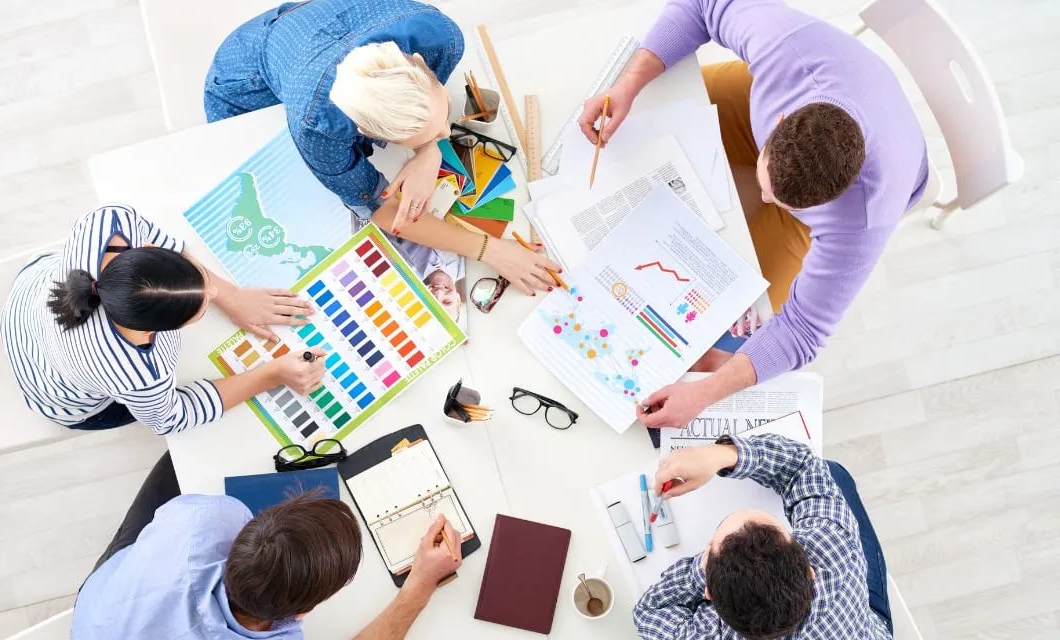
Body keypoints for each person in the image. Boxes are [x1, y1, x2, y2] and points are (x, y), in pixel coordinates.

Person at [577, 0, 929, 427]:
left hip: (877, 167)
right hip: (768, 97)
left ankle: (783, 197)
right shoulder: (785, 49)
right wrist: (628, 84)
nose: (763, 200)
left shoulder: (862, 217)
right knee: (648, 109)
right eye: (767, 187)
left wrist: (703, 395)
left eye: (783, 203)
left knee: (726, 318)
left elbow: (802, 332)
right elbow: (702, 4)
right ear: (778, 121)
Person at [207, 0, 558, 295]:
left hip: (312, 26)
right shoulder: (318, 126)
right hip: (250, 83)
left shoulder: (440, 37)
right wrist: (491, 250)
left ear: (419, 63)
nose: (444, 133)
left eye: (442, 120)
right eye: (423, 135)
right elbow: (383, 211)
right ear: (362, 131)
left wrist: (428, 150)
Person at [0, 204, 326, 435]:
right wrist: (272, 373)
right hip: (53, 392)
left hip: (25, 301)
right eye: (201, 307)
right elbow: (170, 418)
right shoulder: (137, 374)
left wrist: (232, 295)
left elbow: (152, 234)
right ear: (152, 333)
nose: (212, 293)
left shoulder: (110, 223)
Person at [71, 452, 463, 639]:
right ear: (303, 612)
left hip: (101, 615)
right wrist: (420, 586)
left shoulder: (206, 520)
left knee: (174, 459)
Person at [635, 434, 892, 639]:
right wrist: (722, 454)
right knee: (831, 471)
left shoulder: (708, 633)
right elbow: (801, 468)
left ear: (710, 593)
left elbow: (648, 612)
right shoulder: (832, 546)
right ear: (810, 570)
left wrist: (701, 569)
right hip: (864, 628)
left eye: (712, 545)